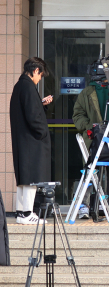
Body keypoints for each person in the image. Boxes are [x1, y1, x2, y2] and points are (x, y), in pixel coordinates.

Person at [72, 78, 109, 218]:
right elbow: (77, 114)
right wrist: (89, 126)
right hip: (93, 138)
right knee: (89, 171)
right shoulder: (87, 92)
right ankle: (84, 205)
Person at [10, 57, 52, 225]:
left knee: (24, 178)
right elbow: (33, 116)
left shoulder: (20, 86)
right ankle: (28, 213)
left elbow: (28, 110)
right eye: (40, 75)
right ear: (36, 70)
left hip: (23, 139)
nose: (40, 79)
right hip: (31, 140)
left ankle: (21, 213)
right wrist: (42, 132)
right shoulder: (28, 87)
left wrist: (40, 104)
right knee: (31, 178)